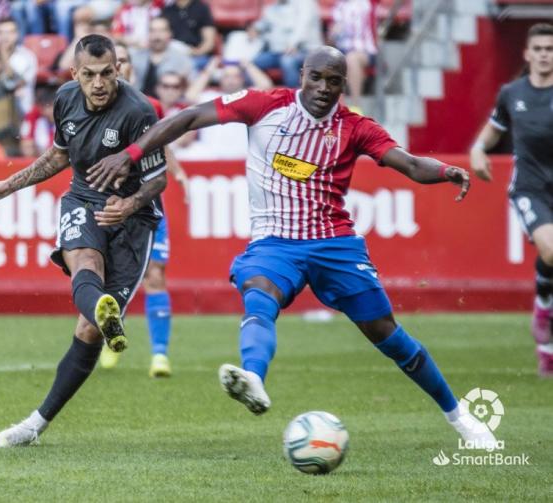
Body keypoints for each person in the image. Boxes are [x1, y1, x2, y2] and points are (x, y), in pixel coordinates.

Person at [86, 46, 499, 449]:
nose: (323, 87)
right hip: (275, 242)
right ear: (302, 75)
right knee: (260, 293)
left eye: (333, 81)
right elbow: (191, 116)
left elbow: (407, 163)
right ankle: (254, 380)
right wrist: (133, 152)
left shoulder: (356, 127)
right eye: (316, 77)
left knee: (385, 332)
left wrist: (445, 170)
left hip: (334, 243)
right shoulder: (263, 105)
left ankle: (458, 416)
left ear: (343, 86)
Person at [0, 34, 168, 447]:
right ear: (74, 74)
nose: (98, 83)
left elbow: (157, 180)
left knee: (89, 332)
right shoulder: (66, 99)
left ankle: (40, 418)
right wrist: (5, 186)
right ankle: (102, 311)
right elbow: (59, 155)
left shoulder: (139, 111)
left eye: (106, 73)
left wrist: (127, 206)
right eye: (89, 75)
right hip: (83, 197)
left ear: (119, 70)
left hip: (133, 217)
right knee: (83, 262)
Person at [97, 41, 190, 377]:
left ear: (127, 67)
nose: (116, 66)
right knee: (108, 279)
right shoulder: (91, 105)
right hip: (108, 203)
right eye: (112, 60)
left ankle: (159, 356)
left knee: (155, 275)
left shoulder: (146, 106)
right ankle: (111, 338)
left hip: (148, 204)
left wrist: (177, 172)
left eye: (121, 61)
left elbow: (159, 145)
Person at [470, 23, 553, 377]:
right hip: (530, 189)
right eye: (538, 48)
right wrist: (477, 149)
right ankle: (543, 306)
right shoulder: (511, 93)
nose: (544, 54)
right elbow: (494, 129)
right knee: (550, 251)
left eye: (550, 48)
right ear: (527, 54)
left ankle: (546, 348)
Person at [250, 0, 323, 88]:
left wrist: (293, 44)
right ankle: (261, 94)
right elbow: (264, 23)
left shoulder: (306, 3)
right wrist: (255, 29)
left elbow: (303, 26)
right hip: (280, 52)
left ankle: (294, 95)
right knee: (254, 62)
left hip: (306, 50)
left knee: (287, 61)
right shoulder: (274, 7)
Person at [328, 0, 378, 113]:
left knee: (351, 59)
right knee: (334, 60)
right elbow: (330, 41)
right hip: (342, 50)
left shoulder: (367, 3)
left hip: (366, 50)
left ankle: (356, 106)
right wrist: (333, 33)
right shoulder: (338, 7)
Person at [130, 16, 193, 98]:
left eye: (161, 31)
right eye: (152, 31)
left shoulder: (181, 60)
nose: (157, 36)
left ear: (170, 33)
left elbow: (190, 90)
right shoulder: (136, 57)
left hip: (169, 107)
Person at [0, 18, 38, 115]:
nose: (5, 37)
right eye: (0, 33)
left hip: (21, 113)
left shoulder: (25, 56)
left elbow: (12, 82)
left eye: (9, 32)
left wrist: (2, 52)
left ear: (16, 35)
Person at [161, 0, 215, 70]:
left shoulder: (201, 8)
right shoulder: (167, 10)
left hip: (195, 55)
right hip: (172, 53)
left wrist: (195, 52)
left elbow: (209, 42)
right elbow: (161, 36)